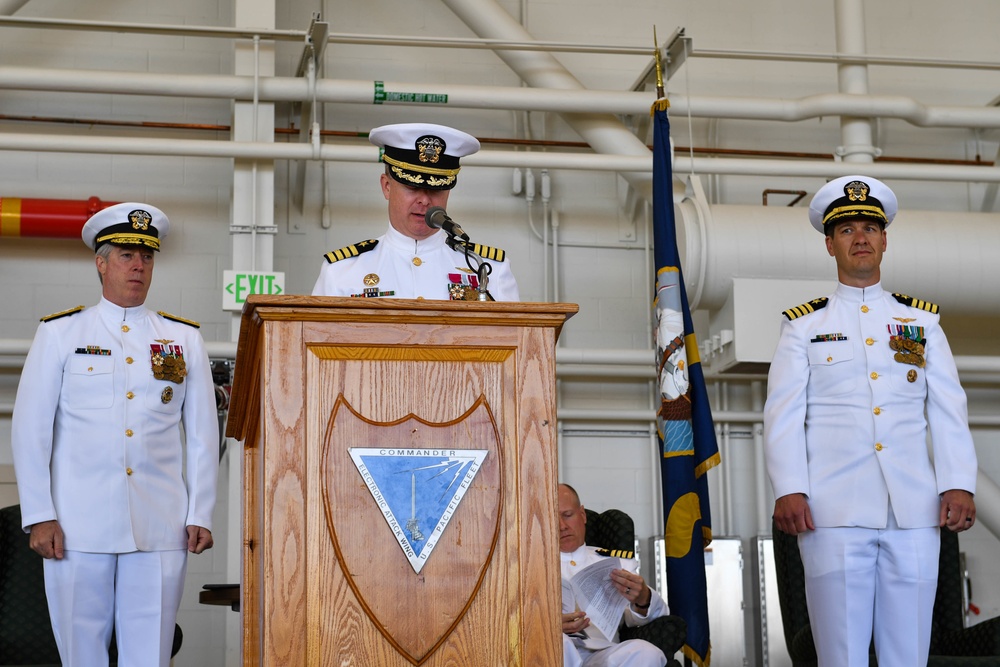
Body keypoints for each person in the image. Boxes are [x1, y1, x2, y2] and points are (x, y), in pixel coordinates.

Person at [763, 175, 978, 667]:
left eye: (869, 227)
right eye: (846, 230)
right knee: (842, 655)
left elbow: (948, 407)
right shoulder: (805, 325)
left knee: (909, 654)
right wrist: (789, 487)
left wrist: (958, 483)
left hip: (914, 510)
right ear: (829, 244)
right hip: (833, 511)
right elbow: (783, 413)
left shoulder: (921, 324)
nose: (859, 237)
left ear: (884, 240)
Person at [11, 202, 219, 667]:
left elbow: (204, 433)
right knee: (82, 655)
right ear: (100, 263)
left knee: (150, 657)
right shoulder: (61, 333)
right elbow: (30, 430)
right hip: (77, 526)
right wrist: (40, 513)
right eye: (126, 255)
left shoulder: (183, 339)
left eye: (147, 257)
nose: (138, 266)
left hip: (160, 524)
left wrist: (200, 510)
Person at [311, 122, 519, 301]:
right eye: (412, 187)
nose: (424, 200)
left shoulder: (488, 269)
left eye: (436, 188)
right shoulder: (342, 271)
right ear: (387, 187)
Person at [558, 483, 669, 667]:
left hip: (604, 654)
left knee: (648, 653)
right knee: (560, 643)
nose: (562, 526)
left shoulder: (615, 562)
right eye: (551, 518)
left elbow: (646, 616)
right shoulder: (528, 568)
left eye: (567, 515)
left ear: (583, 515)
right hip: (554, 652)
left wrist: (642, 597)